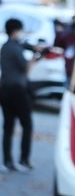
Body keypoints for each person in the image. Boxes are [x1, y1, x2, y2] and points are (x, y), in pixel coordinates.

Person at [1, 18, 41, 172]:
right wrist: (34, 58)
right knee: (27, 124)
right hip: (17, 90)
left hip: (4, 89)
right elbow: (26, 69)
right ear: (16, 30)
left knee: (8, 127)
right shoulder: (16, 49)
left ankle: (7, 161)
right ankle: (24, 159)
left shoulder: (5, 47)